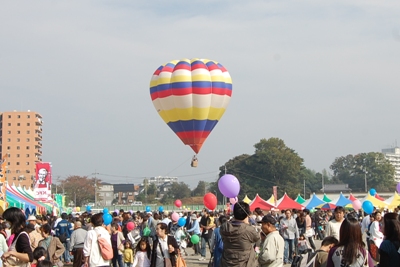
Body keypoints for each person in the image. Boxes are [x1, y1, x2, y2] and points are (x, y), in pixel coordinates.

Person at [220, 201, 260, 267]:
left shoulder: (224, 227)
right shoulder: (248, 230)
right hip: (244, 263)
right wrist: (247, 223)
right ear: (247, 214)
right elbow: (257, 238)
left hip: (227, 262)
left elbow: (229, 223)